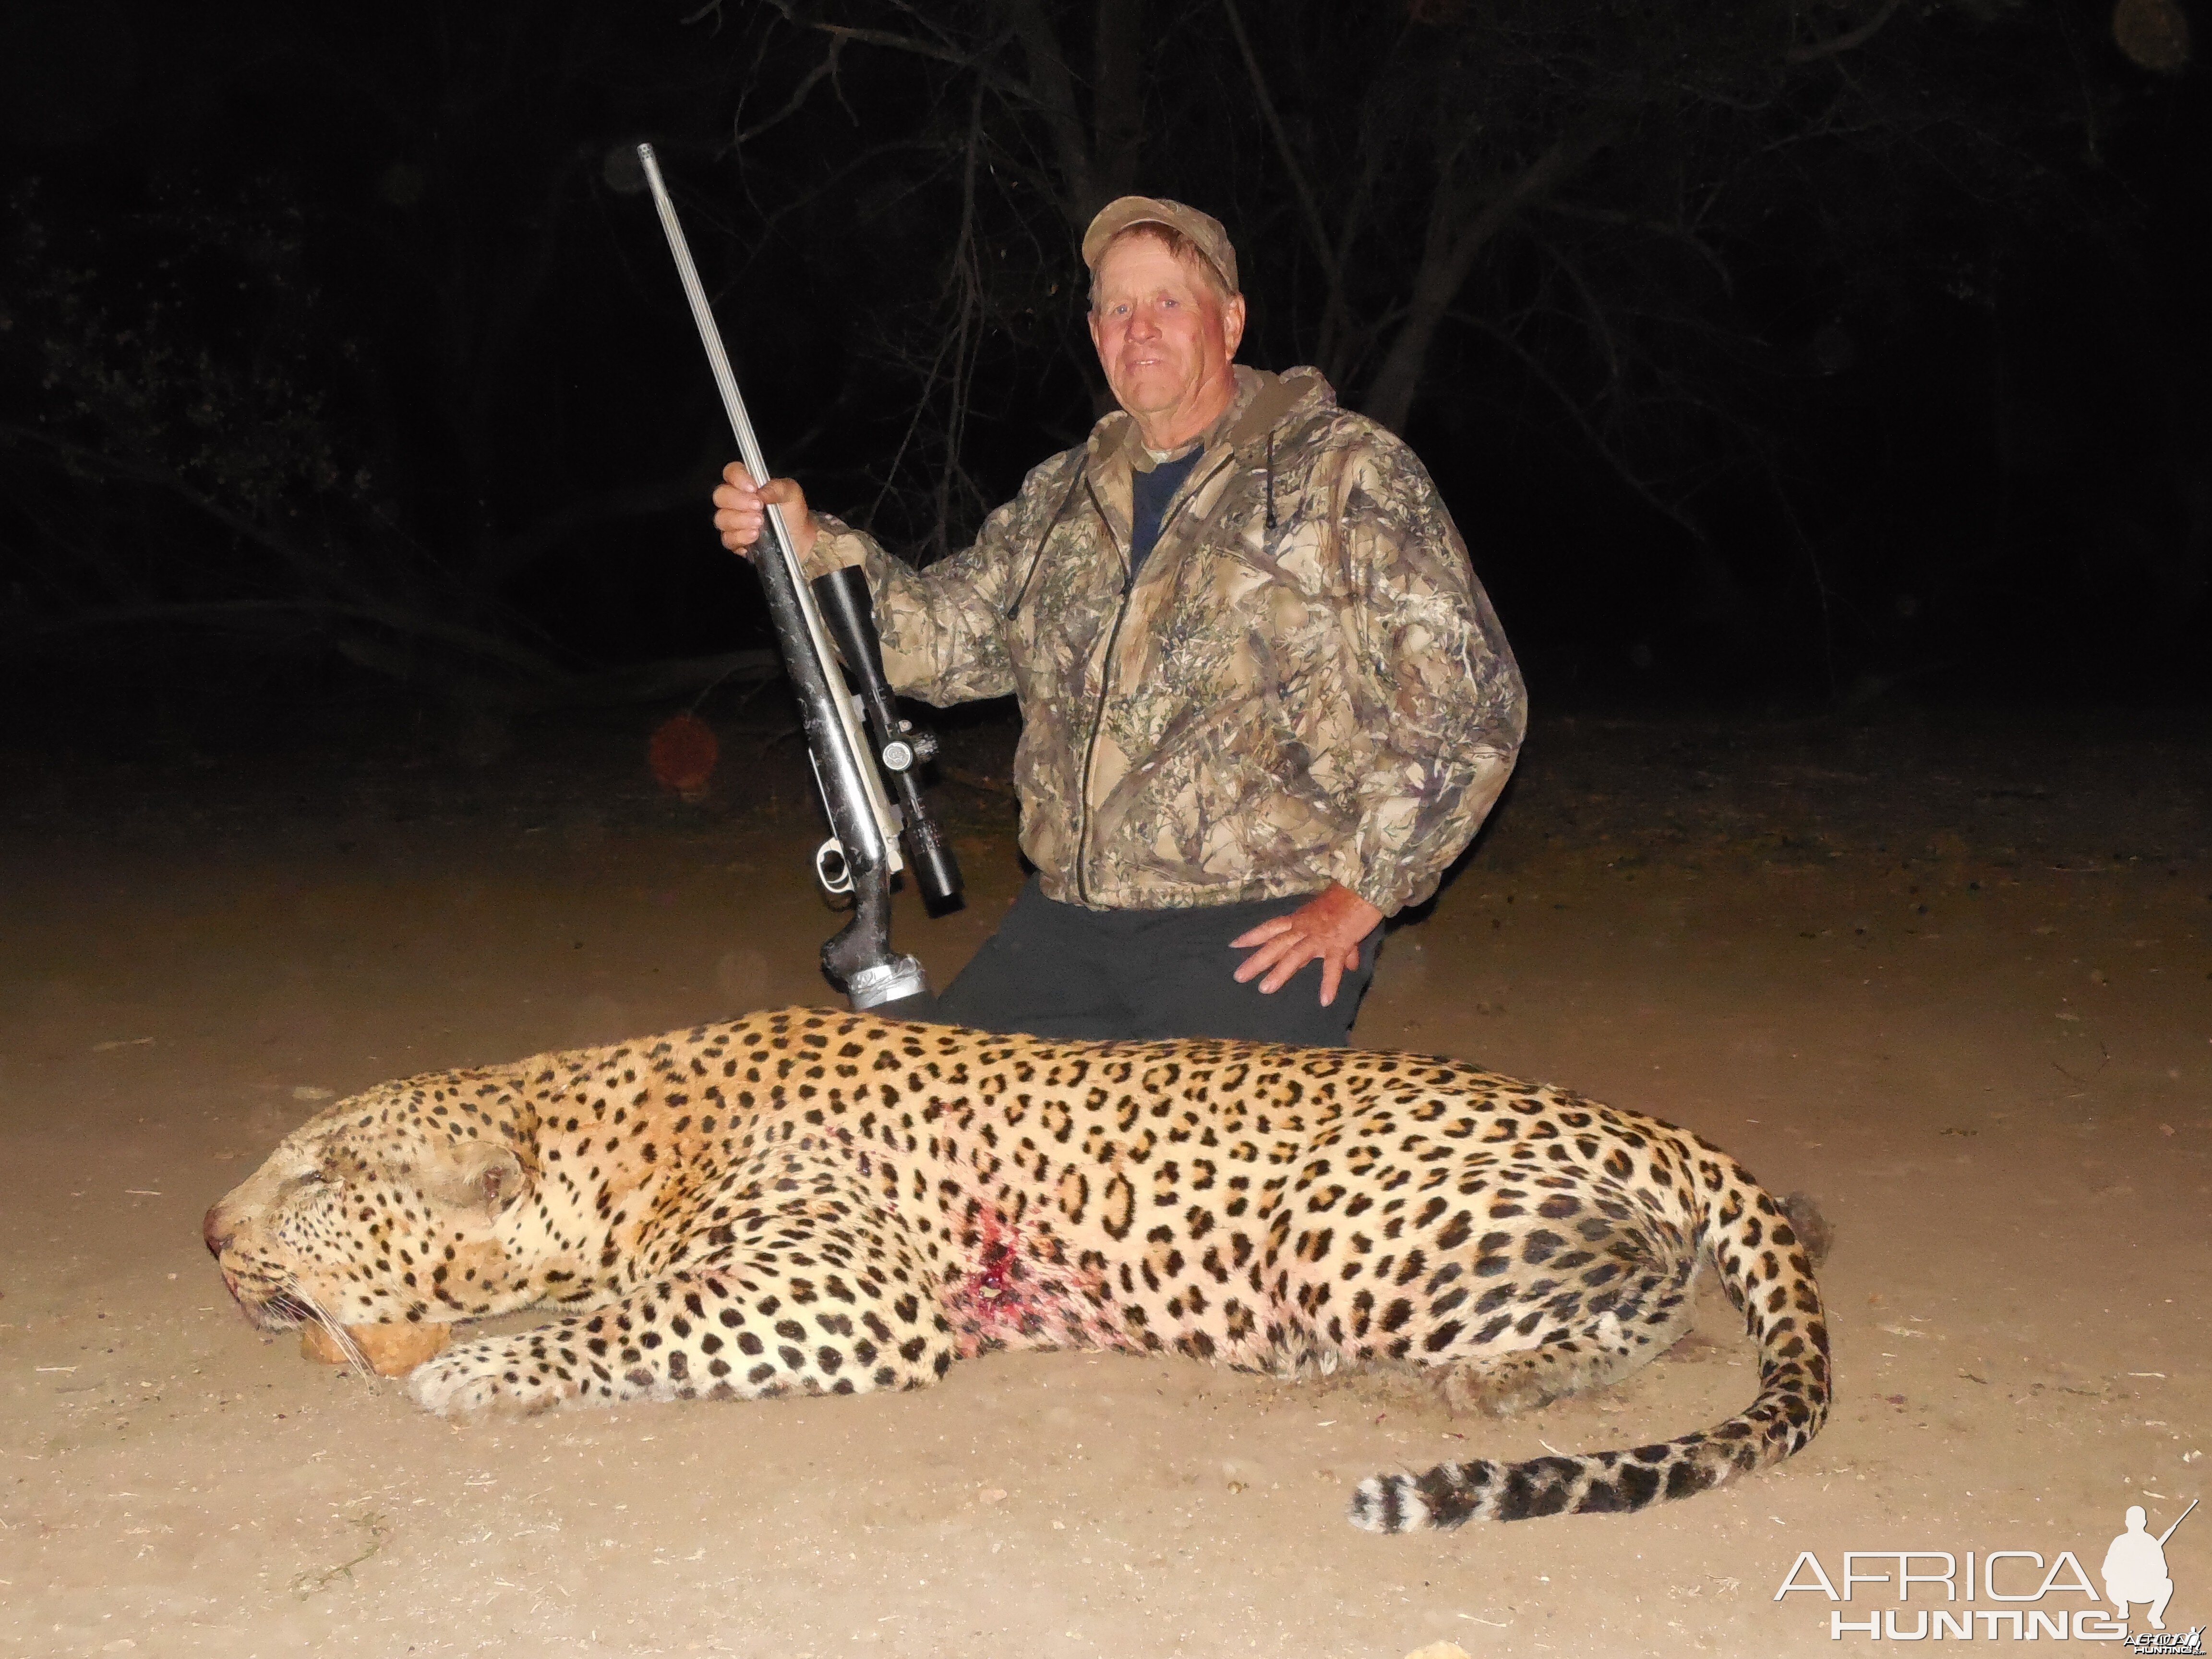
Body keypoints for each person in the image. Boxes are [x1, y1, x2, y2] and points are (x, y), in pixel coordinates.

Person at [712, 195, 1524, 1044]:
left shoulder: (1345, 471)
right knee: (942, 1145)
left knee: (1187, 1173)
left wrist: (1361, 897)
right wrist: (807, 545)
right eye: (1117, 308)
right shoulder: (1060, 498)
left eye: (1169, 301)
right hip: (1067, 922)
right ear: (1096, 333)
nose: (1140, 328)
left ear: (1232, 321)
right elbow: (934, 645)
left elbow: (1472, 704)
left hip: (1256, 925)